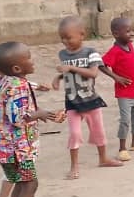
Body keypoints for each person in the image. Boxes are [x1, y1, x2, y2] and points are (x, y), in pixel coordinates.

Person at [0, 42, 62, 197]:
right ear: (17, 68)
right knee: (29, 185)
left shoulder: (3, 81)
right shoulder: (18, 86)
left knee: (20, 184)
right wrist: (40, 113)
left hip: (3, 146)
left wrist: (38, 88)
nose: (33, 60)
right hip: (17, 148)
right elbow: (17, 118)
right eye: (29, 57)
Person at [52, 16, 123, 179]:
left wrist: (70, 67)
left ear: (81, 35)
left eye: (68, 37)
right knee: (74, 134)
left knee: (98, 131)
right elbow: (69, 73)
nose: (65, 41)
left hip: (90, 100)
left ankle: (103, 158)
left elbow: (93, 73)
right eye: (62, 38)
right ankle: (74, 165)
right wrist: (58, 77)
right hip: (72, 101)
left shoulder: (91, 53)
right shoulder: (63, 54)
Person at [99, 17, 134, 162]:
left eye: (133, 30)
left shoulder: (130, 45)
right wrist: (116, 77)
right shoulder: (115, 50)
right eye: (128, 31)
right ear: (116, 34)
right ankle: (122, 148)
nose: (132, 33)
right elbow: (101, 64)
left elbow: (132, 60)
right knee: (125, 121)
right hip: (124, 94)